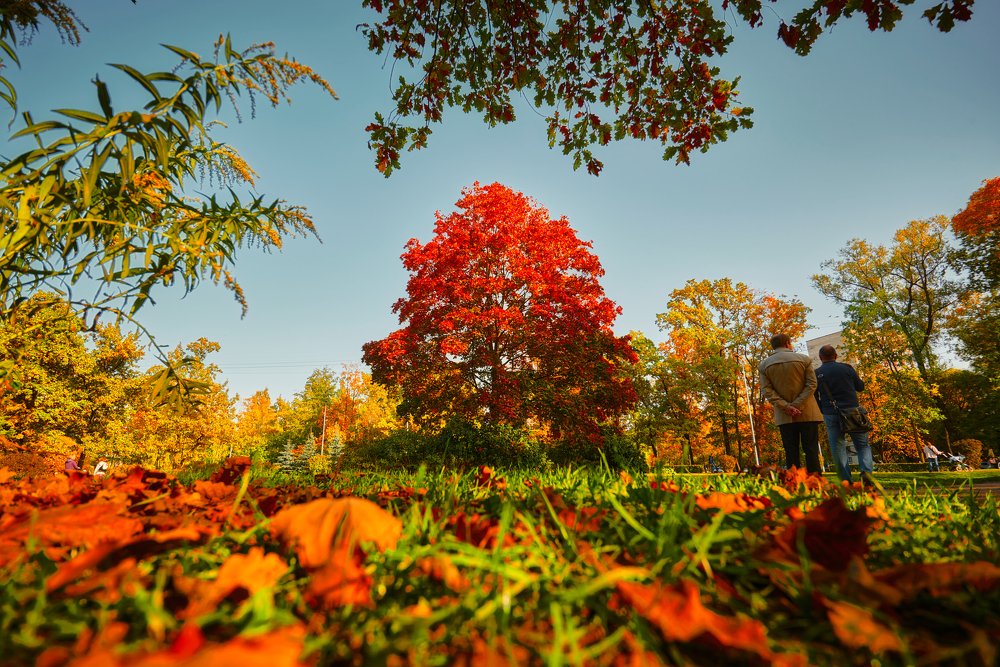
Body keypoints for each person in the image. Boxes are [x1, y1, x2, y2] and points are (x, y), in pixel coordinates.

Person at [759, 334, 824, 474]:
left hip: (784, 415)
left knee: (791, 450)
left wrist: (786, 407)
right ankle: (816, 481)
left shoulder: (764, 365)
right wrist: (798, 404)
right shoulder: (804, 359)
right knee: (811, 449)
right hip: (807, 412)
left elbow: (766, 390)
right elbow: (812, 384)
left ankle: (793, 481)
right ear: (788, 343)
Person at [814, 345, 874, 485]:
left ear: (820, 358)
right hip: (852, 411)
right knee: (862, 445)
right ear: (835, 356)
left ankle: (846, 481)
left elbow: (814, 395)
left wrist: (823, 409)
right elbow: (860, 387)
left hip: (831, 413)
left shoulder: (816, 373)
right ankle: (866, 474)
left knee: (838, 447)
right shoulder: (847, 368)